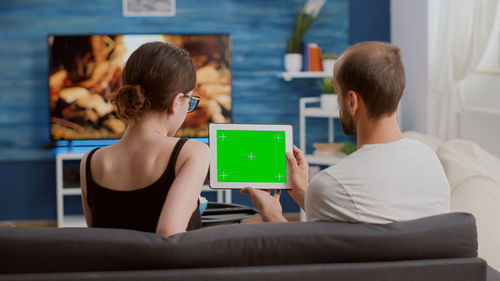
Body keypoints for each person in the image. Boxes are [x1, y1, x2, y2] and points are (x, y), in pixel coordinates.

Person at [242, 41, 450, 223]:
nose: (337, 101)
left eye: (336, 92)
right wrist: (303, 193)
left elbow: (307, 257)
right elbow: (357, 223)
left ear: (352, 101)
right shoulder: (430, 162)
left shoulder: (333, 183)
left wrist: (272, 214)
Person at [80, 41, 210, 237]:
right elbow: (169, 235)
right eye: (190, 102)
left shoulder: (90, 161)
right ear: (176, 102)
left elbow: (101, 241)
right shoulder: (192, 152)